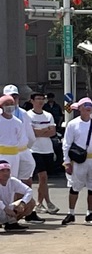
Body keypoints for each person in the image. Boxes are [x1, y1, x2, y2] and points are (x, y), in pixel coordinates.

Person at [61, 98, 92, 226]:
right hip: (78, 161)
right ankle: (71, 213)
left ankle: (90, 213)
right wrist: (66, 162)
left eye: (90, 105)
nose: (88, 107)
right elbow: (66, 144)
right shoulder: (73, 124)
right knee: (75, 186)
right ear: (80, 108)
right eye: (85, 105)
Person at [3, 86, 40, 224]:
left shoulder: (23, 115)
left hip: (21, 150)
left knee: (25, 178)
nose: (13, 100)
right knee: (7, 180)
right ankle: (8, 213)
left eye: (15, 97)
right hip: (6, 153)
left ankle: (25, 209)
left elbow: (29, 135)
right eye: (10, 98)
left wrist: (24, 149)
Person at [27, 92, 59, 215]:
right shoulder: (28, 115)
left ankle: (39, 203)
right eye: (38, 99)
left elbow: (53, 132)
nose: (40, 101)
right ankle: (48, 202)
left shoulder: (48, 115)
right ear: (32, 101)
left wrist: (41, 130)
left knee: (44, 179)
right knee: (43, 176)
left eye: (42, 99)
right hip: (34, 150)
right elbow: (32, 133)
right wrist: (45, 129)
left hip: (48, 150)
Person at [0, 160, 35, 231]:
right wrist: (5, 209)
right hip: (3, 210)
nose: (5, 173)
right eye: (2, 170)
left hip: (10, 212)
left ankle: (12, 223)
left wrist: (22, 203)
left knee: (31, 202)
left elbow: (29, 191)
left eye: (8, 170)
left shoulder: (13, 181)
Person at [0, 95, 26, 182]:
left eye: (11, 103)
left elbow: (21, 139)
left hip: (14, 155)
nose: (9, 106)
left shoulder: (17, 122)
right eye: (6, 104)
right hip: (1, 154)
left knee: (12, 180)